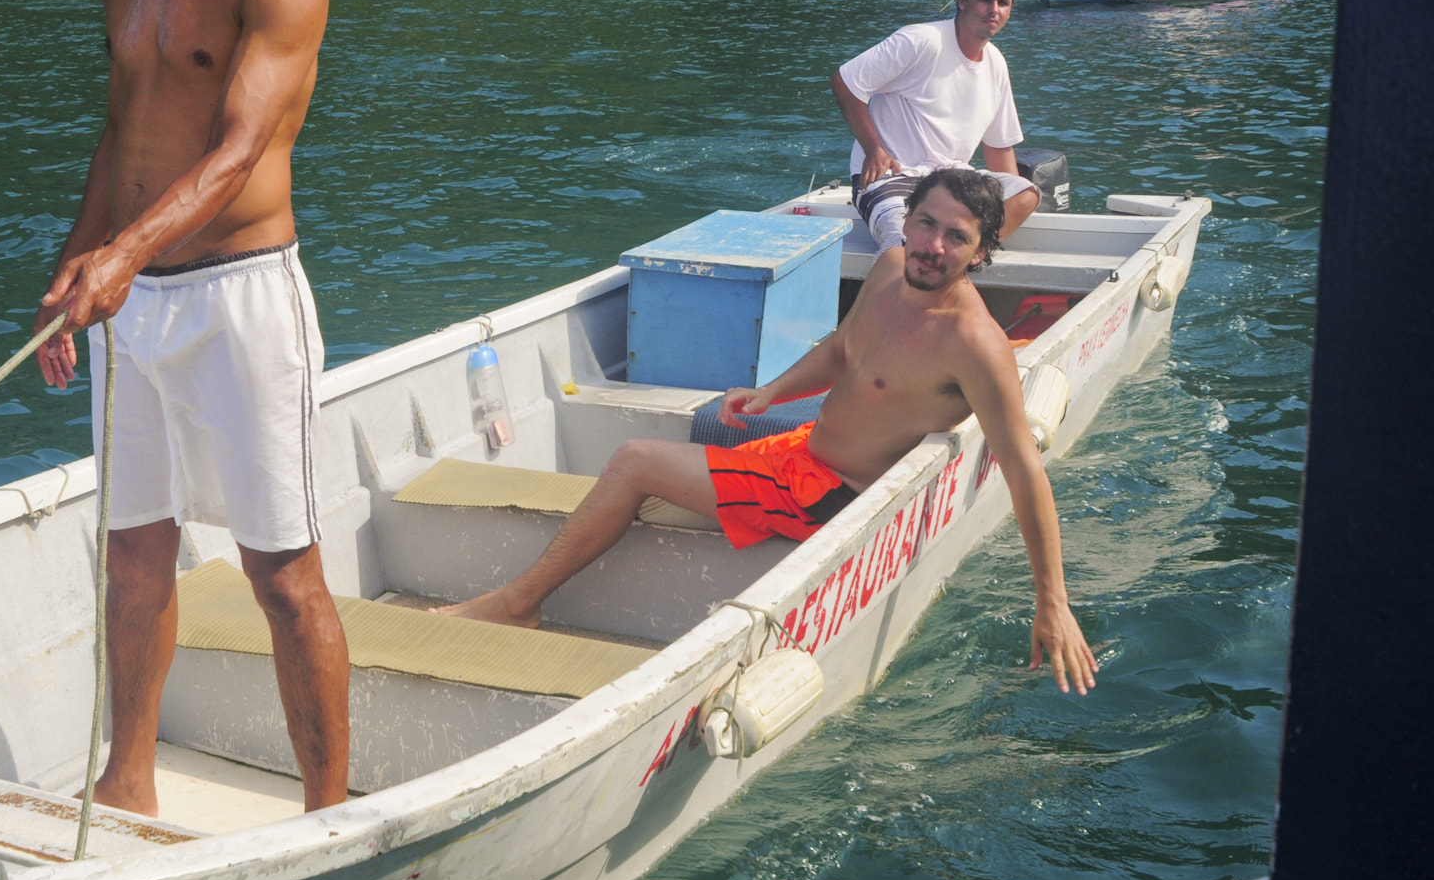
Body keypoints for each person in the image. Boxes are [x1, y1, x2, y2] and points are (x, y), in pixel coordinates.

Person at [439, 168, 1099, 696]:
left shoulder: (974, 344)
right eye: (925, 223)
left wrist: (1052, 601)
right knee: (657, 478)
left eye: (956, 237)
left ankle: (517, 602)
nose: (932, 245)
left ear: (982, 250)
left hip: (827, 494)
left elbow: (1022, 468)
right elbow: (844, 349)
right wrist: (774, 392)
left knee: (634, 462)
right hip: (798, 453)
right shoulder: (891, 268)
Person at [33, 0, 349, 815]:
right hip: (130, 301)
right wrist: (78, 266)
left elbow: (236, 150)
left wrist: (126, 251)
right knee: (132, 552)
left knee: (281, 570)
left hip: (240, 300)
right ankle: (127, 780)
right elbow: (120, 128)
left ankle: (326, 808)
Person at [833, 0, 1040, 253]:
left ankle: (968, 258)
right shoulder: (921, 40)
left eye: (1003, 3)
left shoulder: (996, 63)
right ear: (962, 1)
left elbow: (998, 147)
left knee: (1025, 195)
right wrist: (874, 149)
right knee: (902, 246)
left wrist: (1005, 195)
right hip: (895, 178)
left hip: (952, 180)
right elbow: (845, 82)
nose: (994, 9)